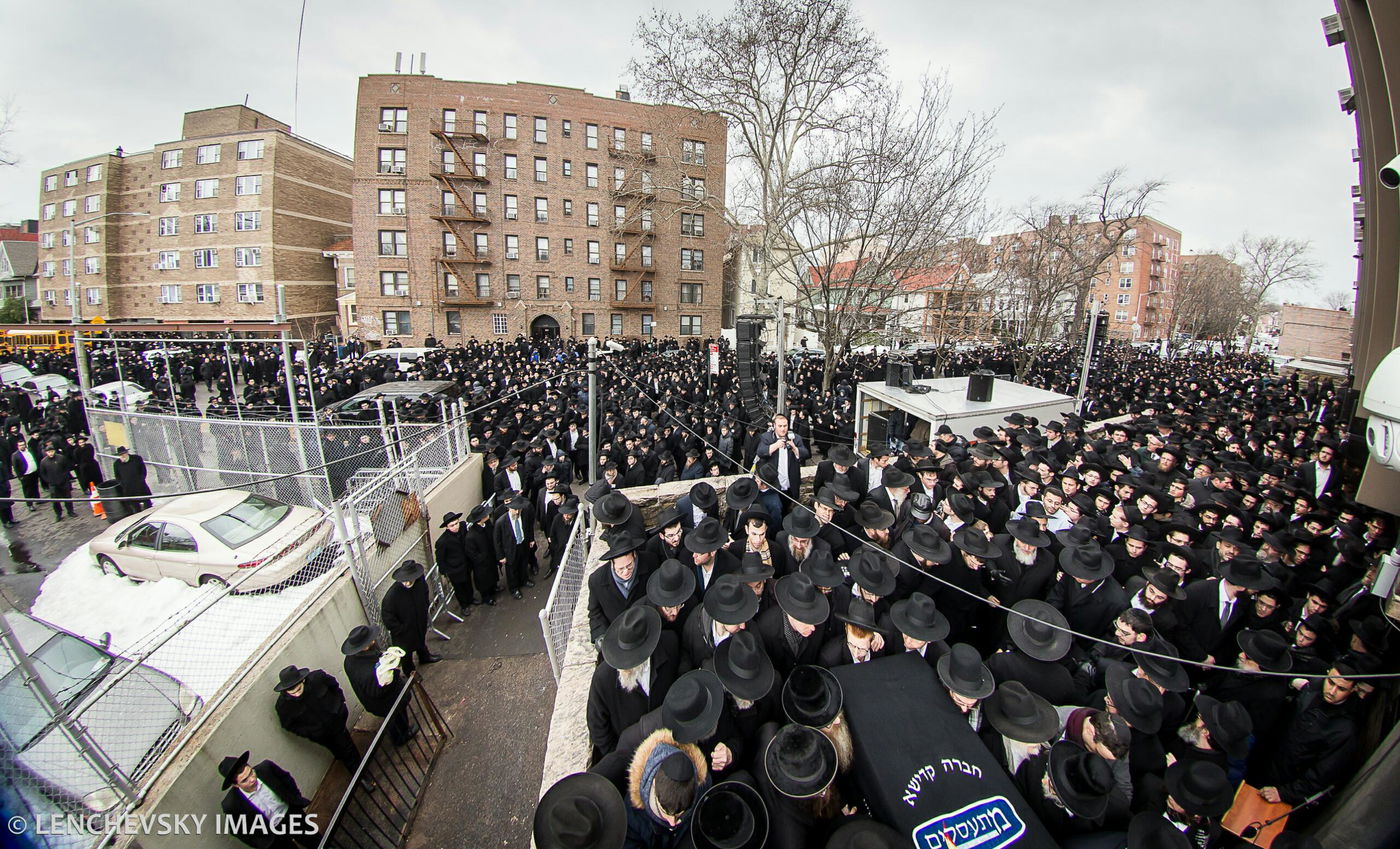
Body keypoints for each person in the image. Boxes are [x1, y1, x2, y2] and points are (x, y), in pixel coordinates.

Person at [217, 750, 319, 848]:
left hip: (292, 815)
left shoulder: (267, 769)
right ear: (235, 785)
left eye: (251, 772)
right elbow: (237, 830)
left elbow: (287, 779)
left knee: (317, 842)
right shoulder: (231, 804)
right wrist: (261, 843)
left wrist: (296, 799)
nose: (252, 779)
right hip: (272, 836)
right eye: (245, 780)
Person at [272, 665, 361, 773]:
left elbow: (334, 685)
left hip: (335, 721)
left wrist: (340, 705)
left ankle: (360, 773)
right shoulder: (283, 706)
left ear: (303, 680)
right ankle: (345, 759)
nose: (297, 694)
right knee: (337, 749)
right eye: (292, 693)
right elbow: (289, 725)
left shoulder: (318, 678)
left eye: (299, 689)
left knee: (347, 748)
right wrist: (310, 732)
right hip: (319, 735)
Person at [340, 625, 415, 746]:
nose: (374, 641)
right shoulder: (365, 672)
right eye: (370, 640)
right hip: (386, 701)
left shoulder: (351, 660)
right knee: (397, 718)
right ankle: (402, 737)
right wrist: (393, 671)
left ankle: (401, 733)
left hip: (381, 700)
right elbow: (377, 691)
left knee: (395, 718)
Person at [380, 560, 441, 669]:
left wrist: (423, 610)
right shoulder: (392, 595)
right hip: (404, 631)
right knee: (406, 653)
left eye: (410, 580)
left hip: (418, 622)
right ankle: (410, 671)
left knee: (421, 640)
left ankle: (424, 657)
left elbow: (425, 594)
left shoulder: (420, 582)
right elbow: (387, 616)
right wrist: (400, 629)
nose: (407, 583)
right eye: (405, 580)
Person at [434, 511, 475, 614]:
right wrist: (445, 572)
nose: (455, 526)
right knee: (459, 588)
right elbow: (440, 558)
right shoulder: (442, 541)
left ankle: (471, 598)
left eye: (456, 523)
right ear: (447, 527)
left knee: (468, 582)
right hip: (454, 569)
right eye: (452, 525)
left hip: (466, 564)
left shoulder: (463, 527)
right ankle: (464, 606)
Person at [37, 443, 76, 521]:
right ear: (46, 452)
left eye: (52, 451)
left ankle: (70, 511)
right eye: (49, 452)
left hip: (64, 482)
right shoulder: (43, 462)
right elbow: (42, 473)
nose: (50, 453)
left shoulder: (61, 458)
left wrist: (65, 478)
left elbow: (66, 468)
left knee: (67, 497)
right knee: (55, 501)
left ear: (54, 451)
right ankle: (58, 514)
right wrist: (49, 481)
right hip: (53, 484)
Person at [111, 445, 153, 511]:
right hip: (128, 488)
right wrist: (123, 484)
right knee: (135, 507)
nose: (122, 456)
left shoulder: (136, 459)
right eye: (120, 455)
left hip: (140, 485)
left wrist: (141, 479)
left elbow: (143, 470)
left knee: (147, 503)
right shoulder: (117, 464)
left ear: (127, 453)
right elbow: (117, 476)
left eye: (123, 454)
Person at [10, 436, 40, 511]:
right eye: (20, 445)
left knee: (35, 486)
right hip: (25, 475)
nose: (22, 446)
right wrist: (20, 476)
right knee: (27, 490)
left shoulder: (30, 450)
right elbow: (16, 467)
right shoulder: (15, 455)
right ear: (17, 446)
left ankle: (38, 499)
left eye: (23, 445)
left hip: (34, 473)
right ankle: (30, 504)